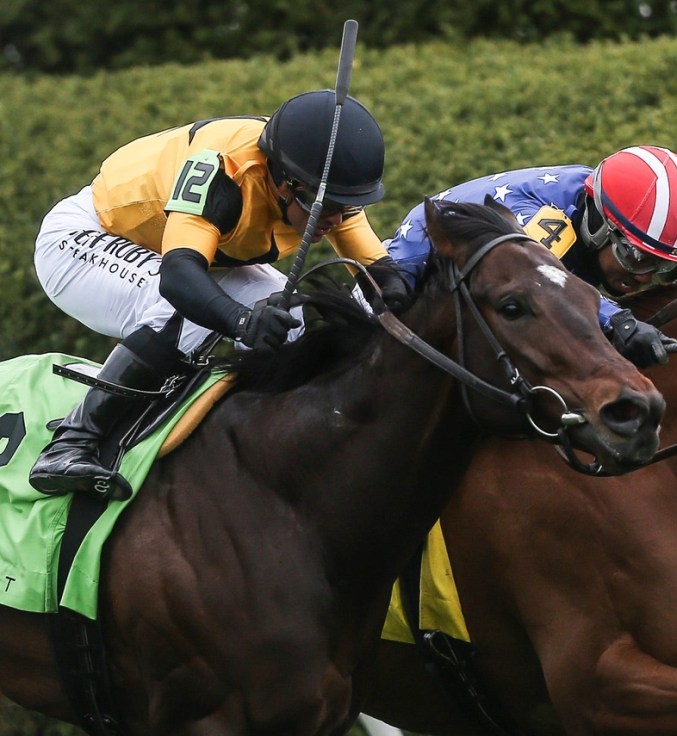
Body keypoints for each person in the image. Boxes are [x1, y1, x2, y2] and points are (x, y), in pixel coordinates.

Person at [29, 89, 411, 501]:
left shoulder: (320, 182)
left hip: (185, 256)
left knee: (294, 319)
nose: (336, 220)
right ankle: (72, 442)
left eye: (348, 205)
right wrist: (242, 322)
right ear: (281, 180)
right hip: (86, 237)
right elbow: (177, 277)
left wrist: (399, 304)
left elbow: (379, 273)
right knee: (184, 312)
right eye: (326, 205)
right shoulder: (223, 171)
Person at [385, 145, 677, 368]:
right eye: (636, 260)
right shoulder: (546, 217)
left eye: (661, 267)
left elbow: (676, 236)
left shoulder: (606, 203)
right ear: (600, 226)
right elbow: (549, 285)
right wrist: (618, 321)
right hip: (420, 248)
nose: (644, 278)